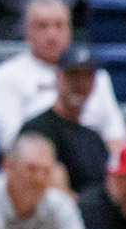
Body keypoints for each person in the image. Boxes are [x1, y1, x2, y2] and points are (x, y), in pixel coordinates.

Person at [0, 0, 126, 150]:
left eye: (59, 25)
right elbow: (9, 143)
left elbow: (116, 137)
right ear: (27, 32)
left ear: (70, 30)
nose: (52, 35)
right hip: (37, 167)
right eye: (42, 26)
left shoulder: (96, 76)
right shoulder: (6, 76)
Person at [19, 46, 110, 195]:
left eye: (87, 76)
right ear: (57, 77)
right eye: (73, 75)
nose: (80, 83)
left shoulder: (94, 139)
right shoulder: (36, 130)